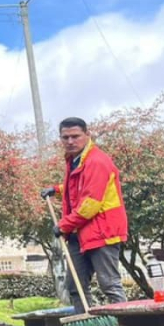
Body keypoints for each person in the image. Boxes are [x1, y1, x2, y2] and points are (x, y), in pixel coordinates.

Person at [41, 117, 128, 312]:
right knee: (75, 287)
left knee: (109, 285)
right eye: (65, 137)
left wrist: (64, 225)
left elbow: (90, 204)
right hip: (79, 233)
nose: (70, 141)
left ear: (87, 135)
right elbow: (78, 188)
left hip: (102, 232)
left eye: (75, 136)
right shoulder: (75, 160)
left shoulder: (97, 161)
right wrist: (56, 189)